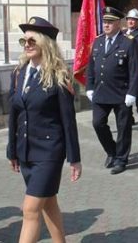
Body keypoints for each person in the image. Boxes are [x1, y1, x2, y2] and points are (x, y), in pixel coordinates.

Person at [7, 16, 82, 242]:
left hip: (49, 152)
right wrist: (12, 149)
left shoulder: (59, 76)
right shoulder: (19, 73)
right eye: (24, 41)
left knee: (30, 209)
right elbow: (14, 115)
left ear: (45, 43)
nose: (27, 45)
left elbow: (68, 120)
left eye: (32, 40)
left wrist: (74, 158)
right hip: (26, 151)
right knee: (49, 203)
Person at [86, 7, 138, 174]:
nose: (106, 25)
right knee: (97, 123)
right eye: (105, 22)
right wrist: (89, 86)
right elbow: (91, 66)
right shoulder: (98, 41)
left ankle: (121, 159)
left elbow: (134, 70)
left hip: (121, 93)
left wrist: (132, 92)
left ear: (118, 23)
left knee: (123, 128)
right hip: (101, 92)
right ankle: (112, 151)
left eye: (110, 22)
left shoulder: (128, 42)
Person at [123, 8, 138, 125]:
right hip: (123, 67)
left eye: (134, 20)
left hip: (136, 66)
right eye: (129, 19)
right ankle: (129, 116)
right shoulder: (122, 33)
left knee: (137, 92)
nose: (131, 22)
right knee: (124, 92)